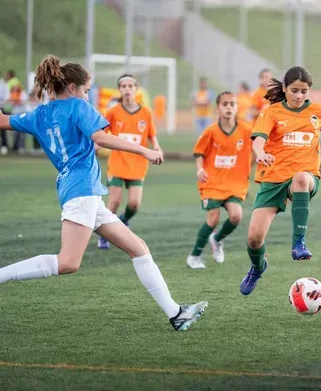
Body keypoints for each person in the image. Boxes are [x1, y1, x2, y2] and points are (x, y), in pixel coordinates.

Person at [0, 55, 207, 331]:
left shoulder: (40, 114)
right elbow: (101, 138)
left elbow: (4, 121)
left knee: (138, 249)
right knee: (68, 263)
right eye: (86, 90)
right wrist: (144, 150)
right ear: (72, 87)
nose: (88, 95)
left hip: (84, 194)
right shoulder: (78, 107)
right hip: (81, 191)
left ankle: (176, 313)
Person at [239, 66, 321, 296]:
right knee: (253, 238)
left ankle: (298, 243)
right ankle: (258, 267)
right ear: (284, 89)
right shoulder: (272, 112)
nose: (299, 96)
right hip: (273, 178)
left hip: (305, 176)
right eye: (294, 91)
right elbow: (258, 140)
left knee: (301, 178)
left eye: (304, 91)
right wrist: (260, 153)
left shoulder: (318, 112)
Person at [186, 91, 253, 269]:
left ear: (237, 107)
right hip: (212, 182)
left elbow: (260, 145)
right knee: (213, 219)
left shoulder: (246, 130)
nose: (229, 107)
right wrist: (200, 169)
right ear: (218, 108)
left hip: (235, 184)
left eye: (232, 104)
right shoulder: (211, 131)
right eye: (225, 104)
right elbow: (199, 153)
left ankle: (216, 239)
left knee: (236, 216)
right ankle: (194, 256)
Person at [97, 74, 163, 249]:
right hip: (118, 162)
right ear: (119, 90)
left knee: (134, 204)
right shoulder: (113, 112)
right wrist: (94, 147)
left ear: (136, 89)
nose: (127, 89)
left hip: (138, 164)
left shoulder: (145, 112)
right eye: (123, 86)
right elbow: (100, 132)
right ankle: (105, 235)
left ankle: (122, 220)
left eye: (130, 86)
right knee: (115, 201)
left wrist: (157, 148)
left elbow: (151, 135)